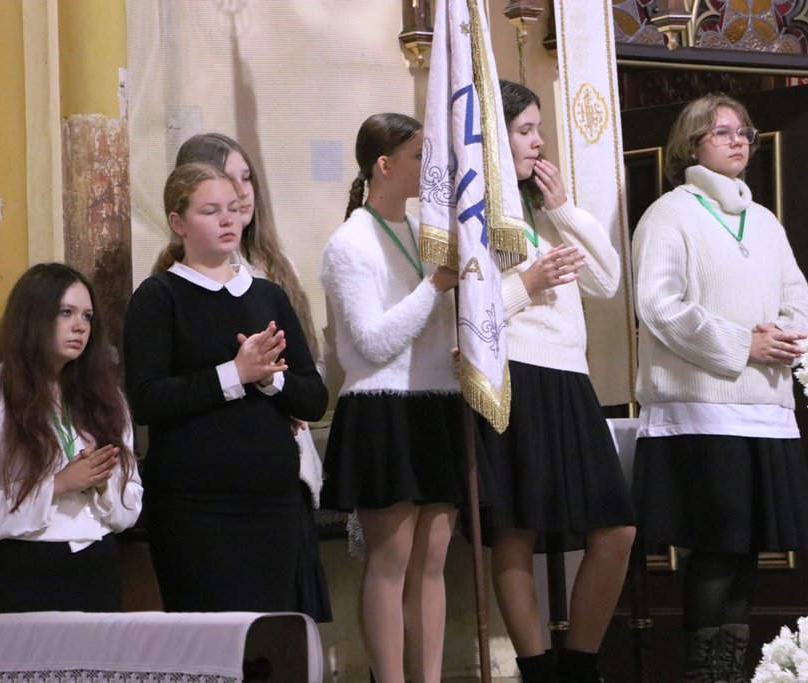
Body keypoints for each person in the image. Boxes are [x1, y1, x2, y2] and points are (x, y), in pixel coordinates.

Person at [630, 93, 808, 683]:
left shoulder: (763, 220)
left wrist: (788, 336)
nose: (739, 140)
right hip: (703, 411)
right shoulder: (669, 214)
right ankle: (702, 675)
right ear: (691, 145)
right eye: (723, 132)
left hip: (766, 408)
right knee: (716, 548)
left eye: (744, 132)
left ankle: (731, 671)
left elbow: (797, 298)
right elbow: (659, 305)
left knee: (747, 553)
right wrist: (743, 344)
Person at [475, 80, 637, 683]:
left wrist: (566, 209)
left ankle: (579, 664)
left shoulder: (544, 211)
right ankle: (536, 668)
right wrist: (529, 283)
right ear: (494, 140)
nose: (538, 141)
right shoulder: (475, 211)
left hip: (570, 378)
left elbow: (606, 281)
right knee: (515, 529)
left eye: (538, 129)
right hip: (514, 374)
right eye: (524, 130)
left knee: (616, 529)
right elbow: (465, 312)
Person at [124, 161, 327, 613]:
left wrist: (271, 378)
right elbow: (147, 399)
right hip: (193, 505)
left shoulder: (269, 295)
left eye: (233, 209)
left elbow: (313, 398)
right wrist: (234, 374)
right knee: (206, 633)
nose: (227, 220)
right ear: (178, 223)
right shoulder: (159, 297)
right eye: (210, 211)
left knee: (269, 632)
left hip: (272, 501)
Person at [319, 113, 462, 683]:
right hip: (382, 406)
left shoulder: (429, 231)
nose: (431, 167)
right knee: (391, 560)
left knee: (433, 561)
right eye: (419, 156)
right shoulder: (349, 242)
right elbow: (372, 343)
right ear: (384, 165)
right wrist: (435, 286)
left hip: (438, 401)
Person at [0, 262, 143, 613]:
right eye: (66, 313)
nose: (80, 326)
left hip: (97, 565)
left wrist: (102, 485)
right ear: (32, 317)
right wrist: (58, 484)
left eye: (88, 316)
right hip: (22, 567)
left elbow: (130, 507)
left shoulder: (107, 399)